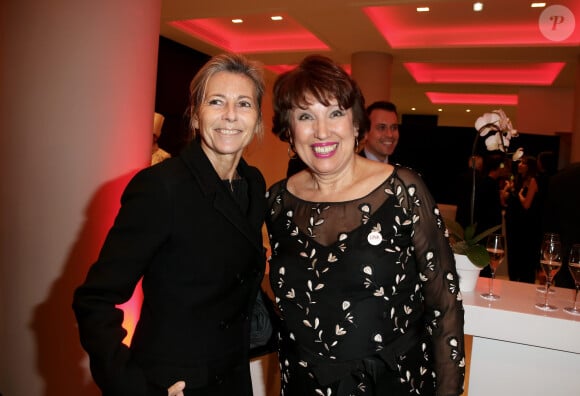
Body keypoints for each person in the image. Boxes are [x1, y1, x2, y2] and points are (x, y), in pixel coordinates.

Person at [266, 55, 465, 396]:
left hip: (392, 384)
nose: (322, 131)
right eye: (305, 116)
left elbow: (444, 303)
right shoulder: (277, 202)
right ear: (289, 131)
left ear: (356, 123)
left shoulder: (403, 189)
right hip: (304, 385)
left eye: (335, 113)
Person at [73, 53, 268, 396]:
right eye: (216, 101)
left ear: (258, 120)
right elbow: (95, 300)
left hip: (233, 377)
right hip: (175, 383)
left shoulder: (252, 183)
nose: (231, 115)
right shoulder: (162, 187)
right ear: (195, 115)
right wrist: (133, 385)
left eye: (244, 104)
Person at [503, 155, 541, 284]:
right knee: (513, 253)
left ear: (529, 167)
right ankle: (513, 279)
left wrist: (518, 194)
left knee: (525, 255)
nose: (520, 165)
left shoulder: (532, 181)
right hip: (513, 223)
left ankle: (525, 281)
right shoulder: (517, 181)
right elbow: (505, 200)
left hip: (526, 225)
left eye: (523, 163)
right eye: (520, 162)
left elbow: (526, 206)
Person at [543, 162, 580, 289]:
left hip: (564, 250)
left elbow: (550, 221)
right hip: (567, 248)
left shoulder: (560, 178)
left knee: (563, 297)